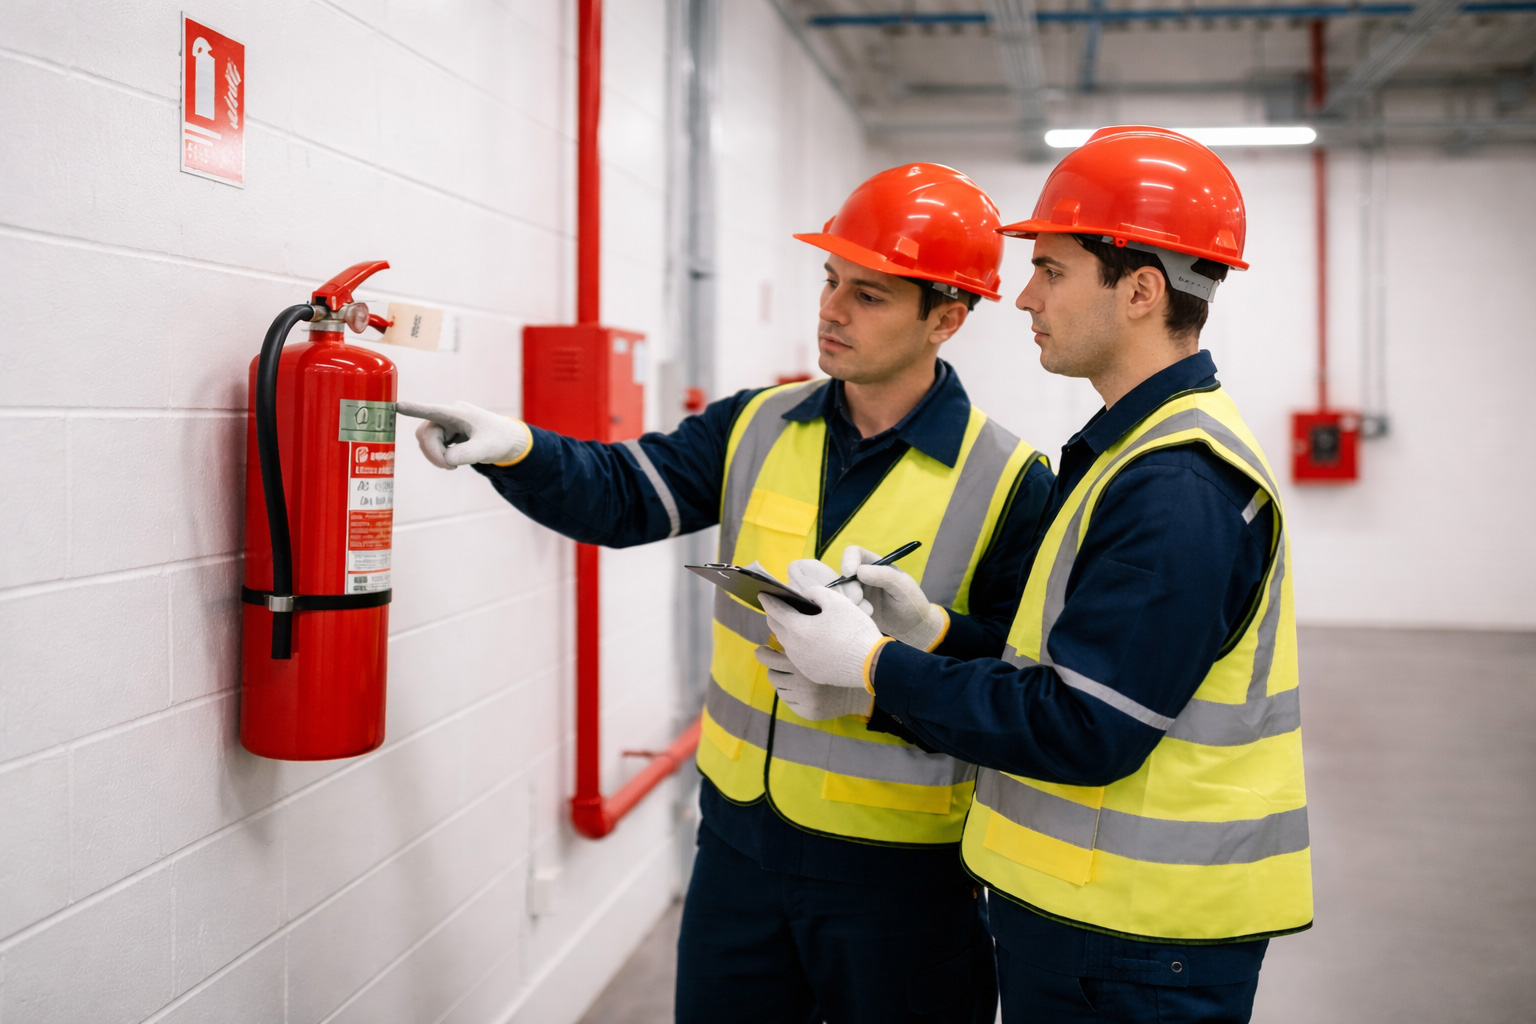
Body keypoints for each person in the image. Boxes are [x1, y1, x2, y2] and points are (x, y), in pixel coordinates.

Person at [398, 163, 1054, 1024]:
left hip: (900, 873)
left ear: (947, 318)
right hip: (739, 847)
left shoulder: (1010, 479)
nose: (831, 309)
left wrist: (918, 639)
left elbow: (1014, 683)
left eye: (869, 294)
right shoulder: (756, 423)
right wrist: (518, 447)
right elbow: (624, 491)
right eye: (829, 281)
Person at [758, 127, 1312, 1024]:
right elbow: (1072, 677)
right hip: (1095, 929)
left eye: (1051, 269)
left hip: (1134, 947)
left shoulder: (1176, 484)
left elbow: (1086, 729)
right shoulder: (1132, 451)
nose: (1022, 297)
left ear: (1139, 291)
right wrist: (933, 633)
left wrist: (868, 669)